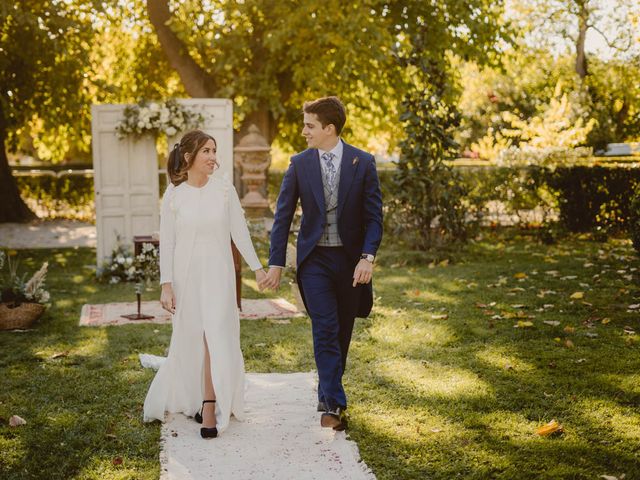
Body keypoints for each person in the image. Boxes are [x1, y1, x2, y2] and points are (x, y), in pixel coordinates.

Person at [261, 96, 383, 430]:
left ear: (329, 128)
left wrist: (366, 257)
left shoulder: (363, 162)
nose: (304, 131)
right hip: (314, 261)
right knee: (326, 328)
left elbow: (374, 218)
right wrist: (276, 263)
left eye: (310, 125)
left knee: (342, 330)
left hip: (350, 262)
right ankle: (332, 405)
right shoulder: (299, 164)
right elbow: (283, 216)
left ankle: (328, 391)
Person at [143, 129, 266, 439]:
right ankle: (195, 396)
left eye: (214, 151)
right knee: (192, 335)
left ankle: (210, 404)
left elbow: (240, 234)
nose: (214, 157)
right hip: (185, 276)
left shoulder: (225, 191)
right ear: (189, 157)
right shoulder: (174, 194)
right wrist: (166, 284)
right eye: (207, 151)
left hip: (218, 274)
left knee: (216, 334)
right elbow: (167, 241)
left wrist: (258, 268)